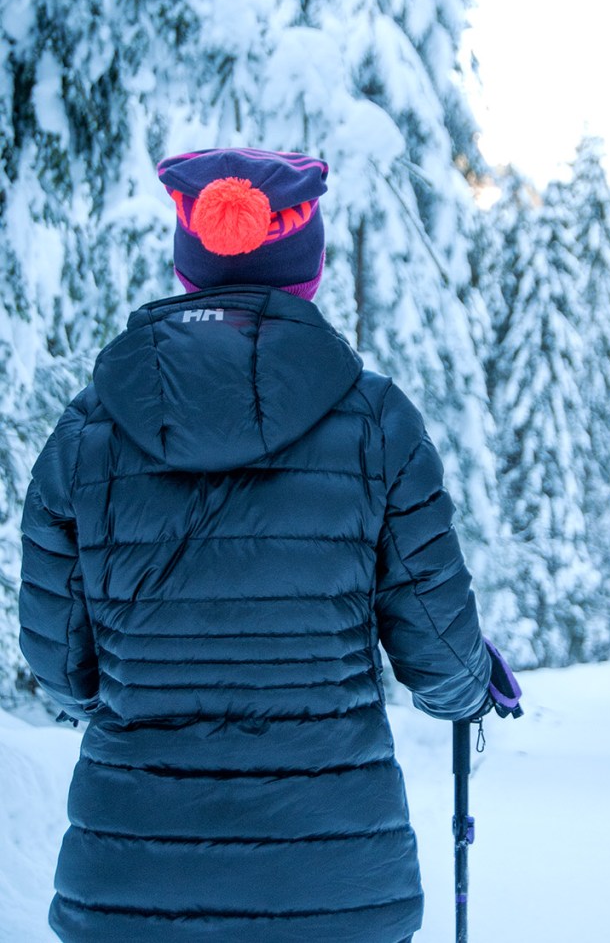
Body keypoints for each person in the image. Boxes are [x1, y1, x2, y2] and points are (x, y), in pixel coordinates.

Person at [18, 148, 518, 943]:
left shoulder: (88, 433)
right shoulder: (377, 423)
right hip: (334, 883)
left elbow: (59, 665)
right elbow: (437, 652)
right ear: (308, 272)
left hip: (132, 881)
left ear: (188, 268)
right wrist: (470, 688)